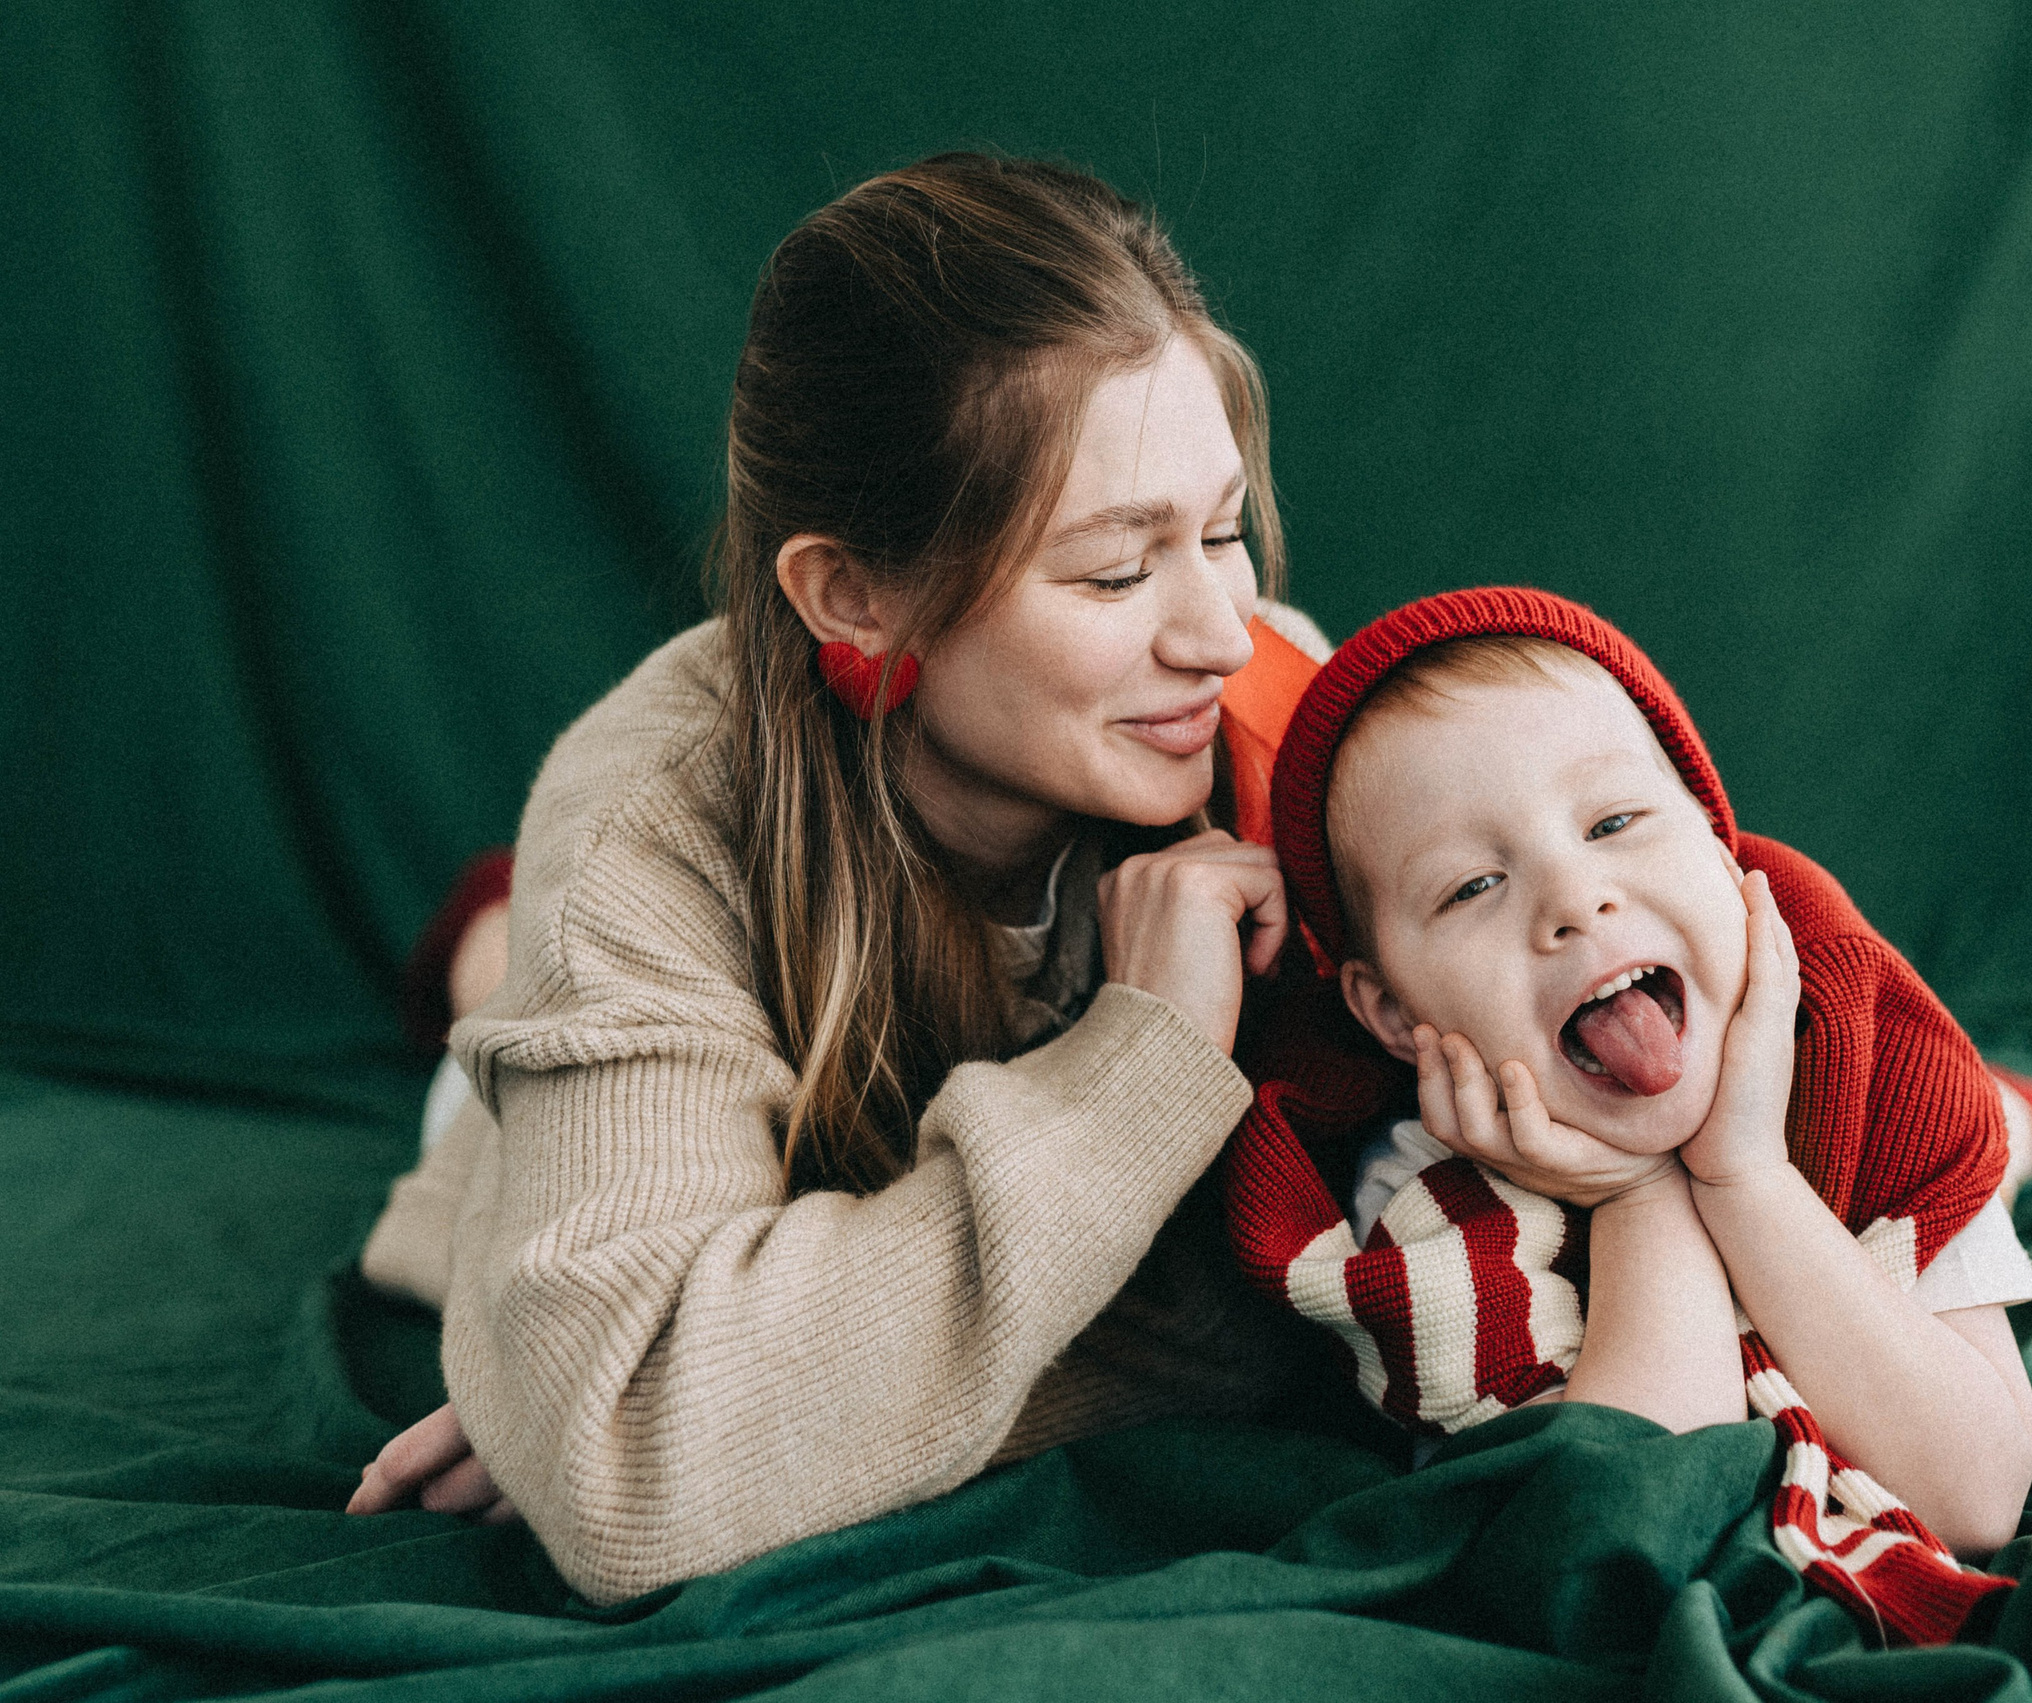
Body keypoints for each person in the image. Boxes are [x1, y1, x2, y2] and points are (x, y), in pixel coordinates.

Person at [341, 152, 1337, 1604]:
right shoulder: (648, 826)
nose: (1220, 630)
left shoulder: (1275, 719)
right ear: (853, 592)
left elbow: (1302, 1296)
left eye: (1222, 527)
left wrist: (804, 1414)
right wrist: (1149, 1066)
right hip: (593, 1051)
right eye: (1116, 574)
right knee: (510, 968)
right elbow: (633, 1460)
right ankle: (484, 944)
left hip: (812, 1156)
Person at [1224, 589, 2032, 1611]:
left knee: (1986, 1128)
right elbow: (1634, 1509)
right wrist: (1640, 1192)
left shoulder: (1869, 1061)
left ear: (1719, 849)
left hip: (1884, 1099)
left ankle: (2018, 1122)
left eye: (1614, 821)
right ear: (1394, 1012)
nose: (1576, 899)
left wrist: (1751, 1173)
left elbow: (1975, 1494)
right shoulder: (1427, 1202)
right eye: (1471, 887)